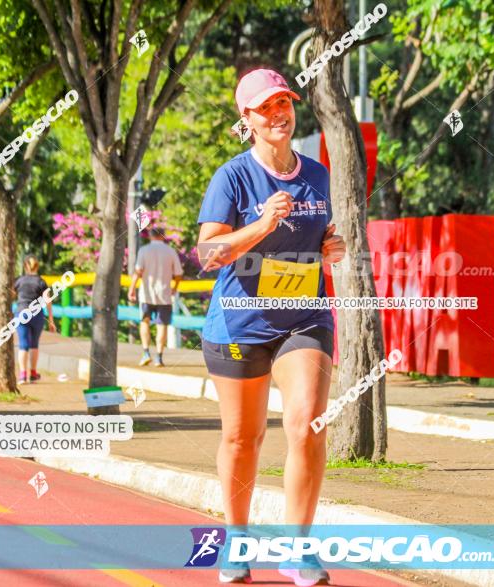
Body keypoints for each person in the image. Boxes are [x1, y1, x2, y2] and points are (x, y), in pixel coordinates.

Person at [197, 68, 345, 585]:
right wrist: (260, 224)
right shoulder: (232, 177)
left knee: (307, 424)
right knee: (243, 438)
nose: (279, 113)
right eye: (266, 107)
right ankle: (236, 542)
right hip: (241, 324)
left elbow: (319, 235)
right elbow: (208, 254)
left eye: (285, 102)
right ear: (248, 119)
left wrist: (331, 247)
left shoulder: (317, 175)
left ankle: (297, 549)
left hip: (305, 317)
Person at [128, 227, 183, 367]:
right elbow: (178, 274)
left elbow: (138, 271)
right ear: (163, 236)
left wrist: (132, 289)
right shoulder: (170, 251)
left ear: (150, 236)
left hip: (146, 294)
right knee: (162, 325)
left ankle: (146, 353)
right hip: (164, 294)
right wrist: (174, 288)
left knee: (144, 321)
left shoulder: (144, 250)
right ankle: (159, 357)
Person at [13, 256, 57, 384]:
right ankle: (33, 373)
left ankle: (22, 375)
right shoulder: (41, 282)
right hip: (37, 315)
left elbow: (10, 295)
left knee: (23, 345)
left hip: (21, 314)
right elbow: (48, 300)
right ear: (37, 266)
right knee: (34, 345)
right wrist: (51, 320)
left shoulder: (19, 281)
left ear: (25, 266)